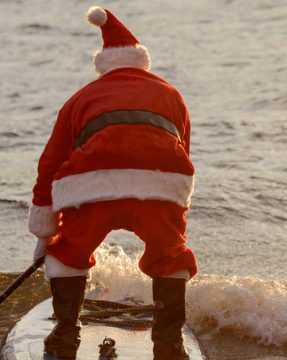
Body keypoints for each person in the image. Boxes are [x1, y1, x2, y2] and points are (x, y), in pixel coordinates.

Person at [28, 6, 197, 360]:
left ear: (104, 65)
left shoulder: (79, 99)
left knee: (70, 252)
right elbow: (182, 149)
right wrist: (174, 208)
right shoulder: (172, 94)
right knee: (170, 254)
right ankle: (169, 344)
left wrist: (48, 233)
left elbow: (51, 164)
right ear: (141, 63)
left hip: (92, 185)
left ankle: (64, 336)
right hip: (161, 185)